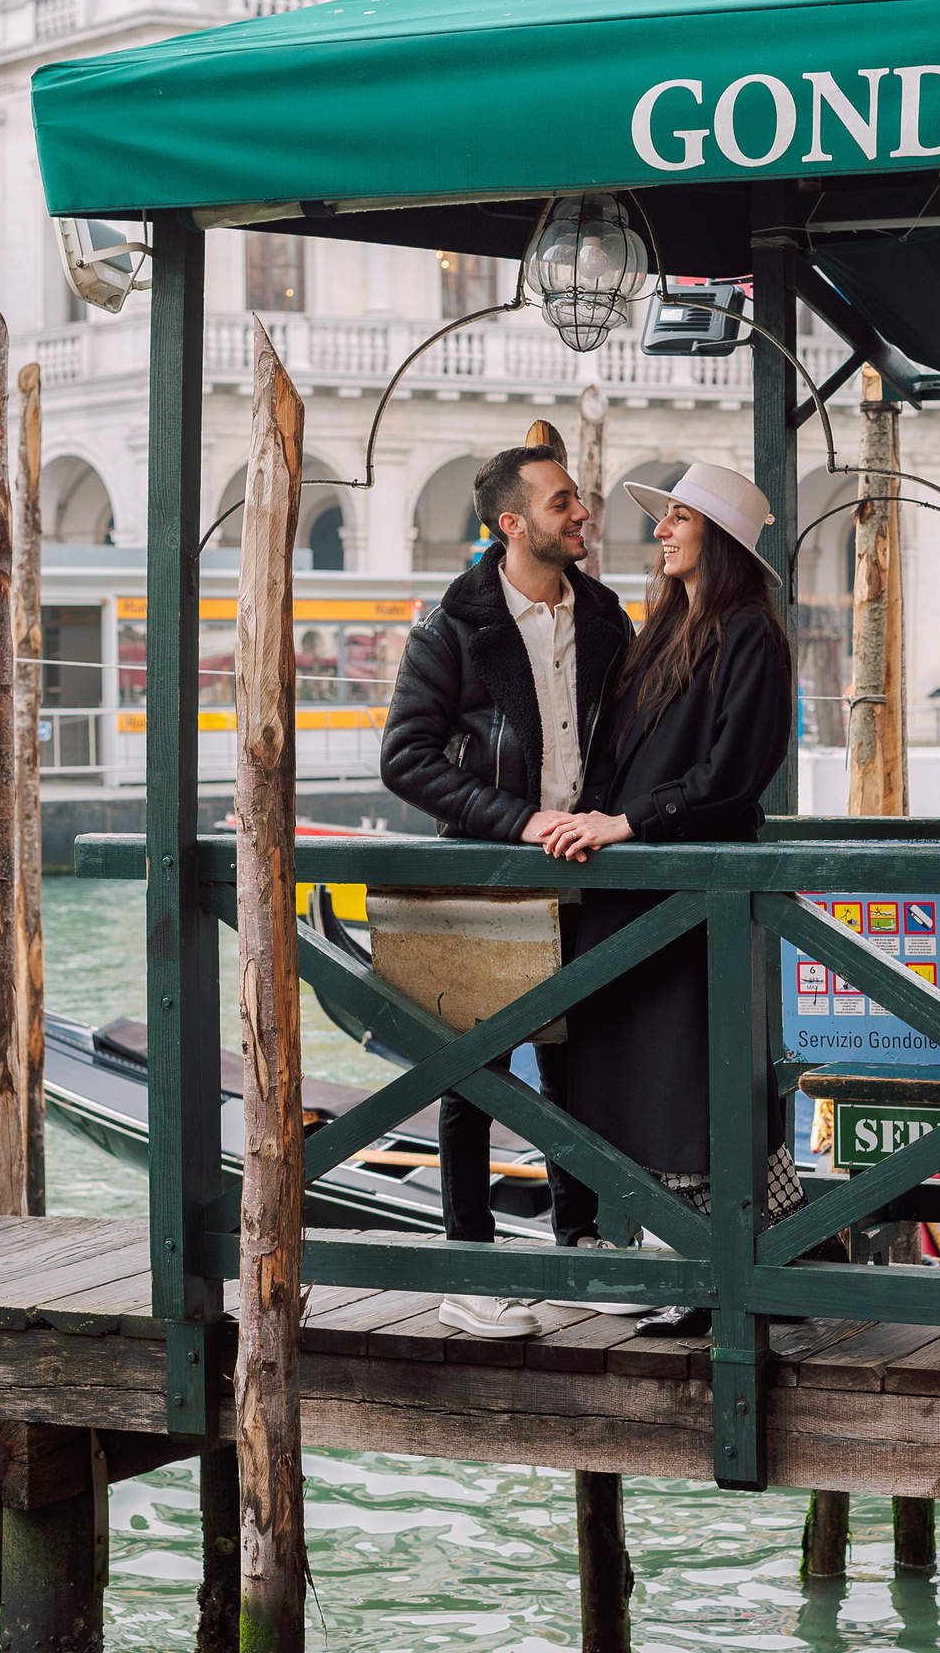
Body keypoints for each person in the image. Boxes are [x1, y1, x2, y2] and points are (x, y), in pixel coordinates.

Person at [535, 462, 809, 1340]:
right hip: (639, 891)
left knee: (692, 1082)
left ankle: (722, 1272)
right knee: (642, 1073)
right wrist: (589, 819)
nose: (660, 531)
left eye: (679, 518)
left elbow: (732, 778)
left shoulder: (749, 634)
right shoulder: (663, 629)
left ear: (717, 539)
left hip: (695, 895)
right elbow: (617, 755)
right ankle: (717, 1263)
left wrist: (626, 821)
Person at [379, 443, 635, 1339]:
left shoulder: (605, 616)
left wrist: (612, 818)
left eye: (579, 498)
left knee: (581, 1068)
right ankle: (470, 1271)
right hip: (487, 874)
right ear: (513, 524)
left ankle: (580, 1248)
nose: (583, 513)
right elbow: (404, 759)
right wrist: (518, 821)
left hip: (591, 873)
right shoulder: (450, 626)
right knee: (474, 1076)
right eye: (564, 502)